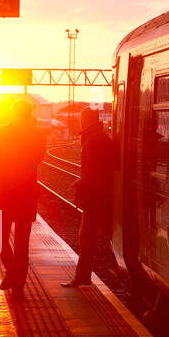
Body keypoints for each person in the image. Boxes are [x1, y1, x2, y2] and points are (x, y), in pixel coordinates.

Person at [0, 98, 47, 296]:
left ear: (15, 113)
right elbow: (37, 157)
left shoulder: (5, 132)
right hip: (21, 194)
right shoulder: (34, 134)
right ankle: (15, 278)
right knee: (21, 244)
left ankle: (17, 284)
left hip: (9, 193)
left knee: (0, 239)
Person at [64, 108, 116, 287]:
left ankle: (82, 277)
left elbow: (91, 171)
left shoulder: (93, 141)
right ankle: (86, 275)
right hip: (103, 193)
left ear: (86, 120)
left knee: (86, 237)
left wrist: (80, 190)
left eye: (81, 119)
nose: (79, 122)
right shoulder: (99, 138)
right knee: (100, 233)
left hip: (95, 196)